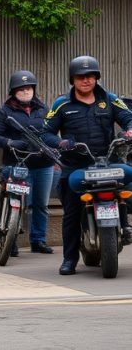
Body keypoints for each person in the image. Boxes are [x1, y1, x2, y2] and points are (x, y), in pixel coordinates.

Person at [42, 55, 132, 276]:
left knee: (128, 179)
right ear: (73, 79)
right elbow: (46, 132)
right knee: (71, 213)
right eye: (81, 77)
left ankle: (125, 222)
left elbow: (128, 117)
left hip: (107, 161)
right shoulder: (61, 104)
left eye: (90, 76)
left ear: (96, 78)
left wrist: (129, 130)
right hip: (76, 166)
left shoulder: (110, 99)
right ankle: (69, 259)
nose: (86, 80)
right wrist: (61, 142)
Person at [0, 70, 56, 256]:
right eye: (21, 89)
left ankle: (38, 240)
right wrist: (10, 143)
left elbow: (51, 134)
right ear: (13, 91)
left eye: (29, 88)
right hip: (17, 165)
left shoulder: (44, 109)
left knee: (41, 205)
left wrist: (55, 147)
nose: (26, 92)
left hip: (43, 164)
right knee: (16, 203)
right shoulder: (4, 112)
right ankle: (11, 241)